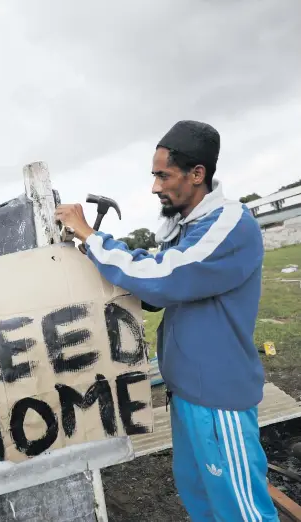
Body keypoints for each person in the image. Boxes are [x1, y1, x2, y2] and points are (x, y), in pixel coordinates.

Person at [55, 120, 279, 522]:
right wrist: (89, 256)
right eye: (154, 175)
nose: (155, 186)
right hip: (188, 393)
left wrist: (92, 237)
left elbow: (166, 276)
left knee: (241, 512)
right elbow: (156, 285)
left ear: (198, 175)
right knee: (204, 502)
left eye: (163, 175)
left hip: (217, 399)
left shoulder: (229, 223)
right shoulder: (186, 226)